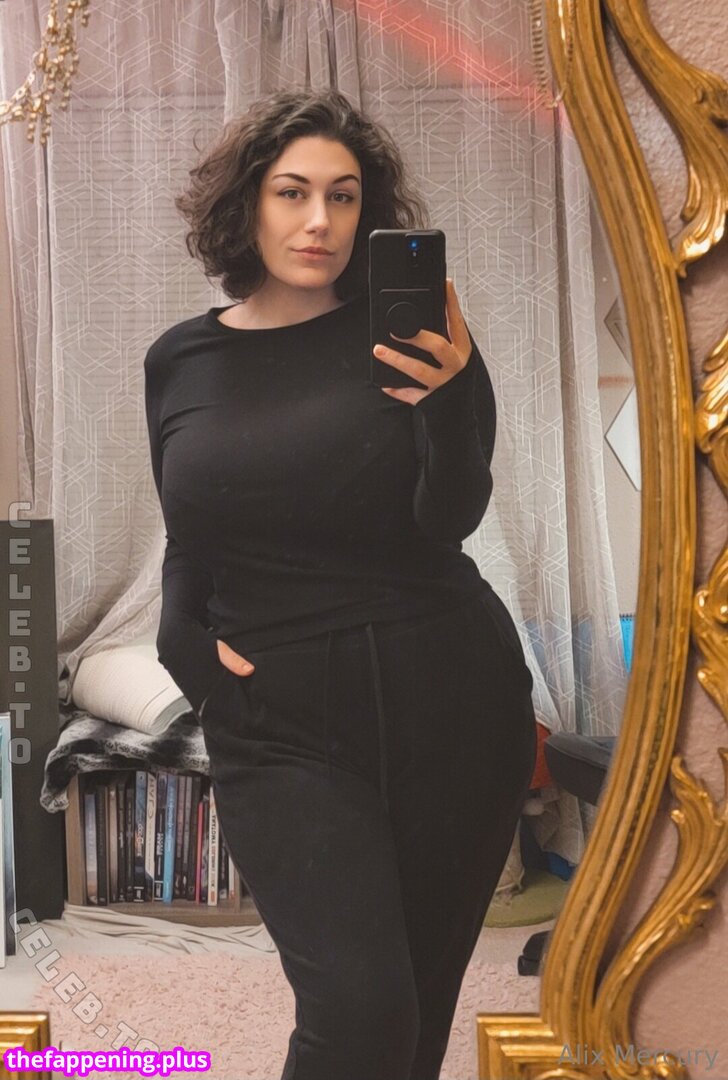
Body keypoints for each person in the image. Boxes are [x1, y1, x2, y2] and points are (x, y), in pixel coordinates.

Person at [144, 87, 537, 1080]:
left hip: (452, 695)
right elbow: (191, 529)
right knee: (358, 1012)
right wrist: (182, 644)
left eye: (344, 195)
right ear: (247, 203)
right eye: (292, 192)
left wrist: (448, 397)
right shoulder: (180, 360)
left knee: (416, 1017)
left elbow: (450, 516)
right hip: (280, 718)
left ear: (369, 211)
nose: (319, 219)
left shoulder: (420, 337)